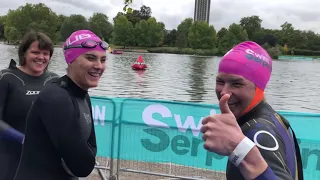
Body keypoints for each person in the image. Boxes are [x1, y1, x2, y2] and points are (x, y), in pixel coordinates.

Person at [201, 41, 303, 180]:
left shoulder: (258, 131)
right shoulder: (271, 118)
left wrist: (240, 149)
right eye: (220, 82)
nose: (224, 92)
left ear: (259, 87)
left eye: (237, 83)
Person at [14, 30, 107, 180]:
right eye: (90, 58)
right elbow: (82, 166)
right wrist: (84, 152)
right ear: (71, 59)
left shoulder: (82, 94)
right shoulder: (56, 97)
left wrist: (84, 152)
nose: (99, 66)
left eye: (103, 60)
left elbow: (90, 150)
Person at [0, 31, 59, 180]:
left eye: (45, 53)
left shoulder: (55, 80)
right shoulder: (7, 78)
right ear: (24, 53)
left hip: (44, 157)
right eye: (35, 52)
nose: (41, 57)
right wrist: (23, 139)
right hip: (10, 156)